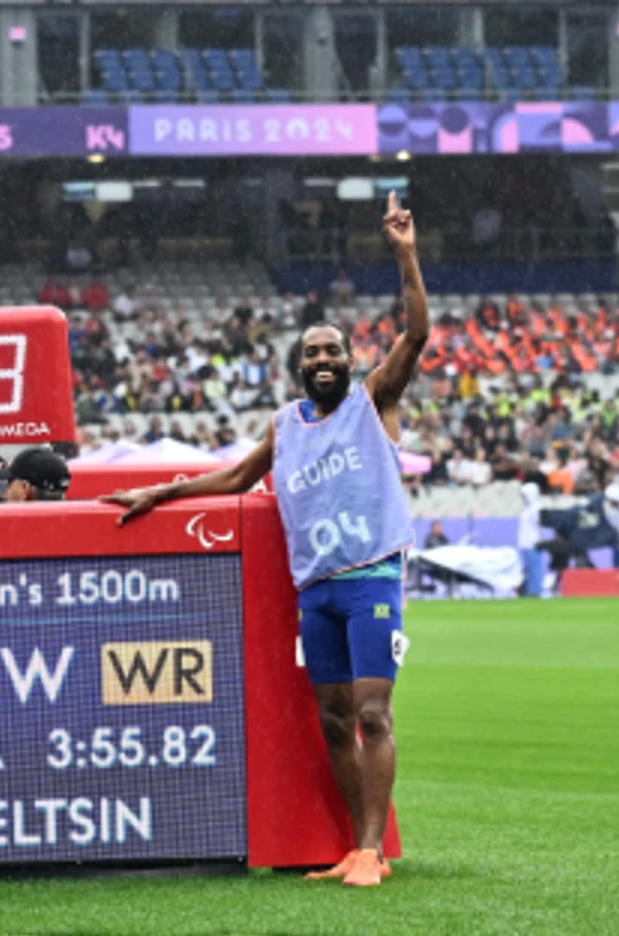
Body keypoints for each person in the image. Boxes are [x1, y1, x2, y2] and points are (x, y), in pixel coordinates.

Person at [102, 191, 425, 888]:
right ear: (299, 367)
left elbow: (417, 337)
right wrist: (160, 492)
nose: (324, 359)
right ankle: (351, 846)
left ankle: (372, 851)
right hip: (316, 590)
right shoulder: (286, 426)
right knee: (335, 722)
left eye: (333, 349)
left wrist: (405, 255)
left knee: (374, 712)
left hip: (370, 578)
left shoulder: (374, 402)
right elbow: (235, 476)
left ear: (349, 357)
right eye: (312, 353)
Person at [0, 447, 70, 503]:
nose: (6, 493)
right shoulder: (74, 527)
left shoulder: (12, 529)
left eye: (10, 482)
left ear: (25, 488)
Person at [516, 481, 546, 598]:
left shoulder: (537, 508)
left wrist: (541, 540)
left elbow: (540, 526)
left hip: (533, 542)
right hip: (525, 543)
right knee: (528, 570)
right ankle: (528, 591)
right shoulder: (527, 508)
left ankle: (536, 591)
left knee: (535, 569)